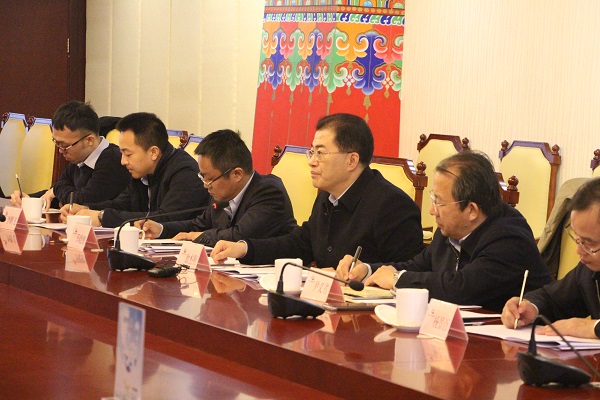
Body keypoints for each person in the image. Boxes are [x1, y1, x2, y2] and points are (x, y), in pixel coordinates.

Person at [336, 151, 552, 313]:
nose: (432, 211)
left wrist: (397, 279)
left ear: (471, 210)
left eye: (439, 202)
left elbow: (461, 288)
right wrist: (368, 270)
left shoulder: (509, 238)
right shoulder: (451, 229)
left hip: (512, 349)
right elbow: (418, 266)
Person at [211, 113, 424, 269]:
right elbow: (300, 243)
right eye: (311, 152)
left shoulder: (392, 206)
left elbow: (407, 272)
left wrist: (360, 275)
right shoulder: (327, 197)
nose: (311, 161)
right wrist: (244, 248)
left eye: (320, 153)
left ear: (352, 160)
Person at [137, 129, 297, 247]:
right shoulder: (222, 193)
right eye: (203, 177)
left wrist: (195, 236)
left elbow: (238, 235)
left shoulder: (269, 192)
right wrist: (161, 229)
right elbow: (197, 225)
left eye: (209, 178)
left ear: (237, 174)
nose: (205, 185)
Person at [61, 112, 209, 227]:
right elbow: (122, 204)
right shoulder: (143, 171)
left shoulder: (186, 173)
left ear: (153, 152)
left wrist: (102, 217)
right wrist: (86, 209)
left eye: (128, 154)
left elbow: (163, 218)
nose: (123, 161)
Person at [502, 178, 600, 339]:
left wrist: (592, 328)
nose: (579, 251)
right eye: (577, 239)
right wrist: (530, 308)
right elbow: (552, 299)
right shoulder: (587, 271)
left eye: (589, 243)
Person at [9, 101, 130, 210]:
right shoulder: (80, 158)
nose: (60, 151)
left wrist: (57, 190)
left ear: (89, 140)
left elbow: (81, 201)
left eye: (64, 145)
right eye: (56, 143)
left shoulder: (113, 161)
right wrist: (29, 200)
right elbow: (58, 193)